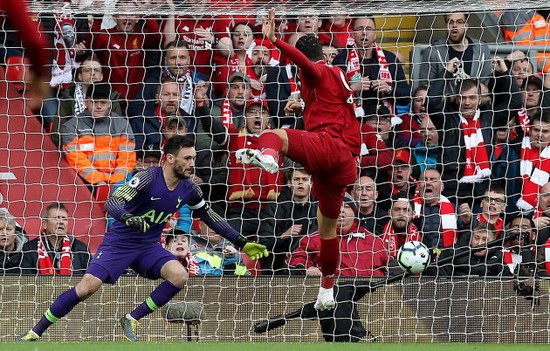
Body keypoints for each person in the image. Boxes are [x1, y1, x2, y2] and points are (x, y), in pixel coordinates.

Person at [16, 135, 267, 342]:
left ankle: (131, 318)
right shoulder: (148, 177)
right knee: (86, 288)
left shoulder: (190, 188)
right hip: (120, 243)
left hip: (148, 246)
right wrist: (129, 218)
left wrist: (242, 242)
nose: (193, 163)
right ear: (170, 158)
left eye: (193, 157)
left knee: (179, 275)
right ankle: (34, 332)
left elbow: (210, 217)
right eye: (187, 158)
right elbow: (113, 201)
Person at [236, 8, 362, 311]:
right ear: (326, 54)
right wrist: (302, 108)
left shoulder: (318, 70)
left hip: (329, 147)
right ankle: (326, 291)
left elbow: (309, 66)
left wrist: (276, 41)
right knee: (327, 231)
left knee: (276, 135)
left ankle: (267, 156)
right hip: (344, 163)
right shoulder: (340, 76)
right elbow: (330, 106)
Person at [62, 83, 136, 199]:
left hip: (119, 184)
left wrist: (116, 182)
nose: (99, 106)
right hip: (84, 185)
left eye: (103, 102)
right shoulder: (71, 126)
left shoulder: (122, 124)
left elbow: (127, 158)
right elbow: (76, 159)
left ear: (110, 104)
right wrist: (99, 182)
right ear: (86, 102)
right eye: (94, 102)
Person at [287, 196, 388, 277]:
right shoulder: (315, 237)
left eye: (347, 206)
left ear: (355, 213)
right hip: (330, 294)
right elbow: (296, 258)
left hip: (370, 295)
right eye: (336, 206)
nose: (341, 210)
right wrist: (308, 268)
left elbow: (389, 265)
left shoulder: (374, 240)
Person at [332, 15, 411, 117]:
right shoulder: (341, 60)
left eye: (369, 29)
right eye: (360, 29)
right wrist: (351, 89)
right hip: (352, 120)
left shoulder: (390, 59)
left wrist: (388, 89)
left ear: (375, 34)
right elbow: (331, 96)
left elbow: (406, 97)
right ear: (353, 34)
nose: (364, 33)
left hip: (385, 121)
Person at [258, 166, 319, 275]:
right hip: (278, 269)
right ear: (289, 183)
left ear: (312, 183)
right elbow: (263, 245)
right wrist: (283, 236)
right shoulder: (275, 208)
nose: (300, 183)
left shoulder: (319, 208)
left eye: (305, 179)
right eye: (296, 179)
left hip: (312, 268)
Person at [54, 55, 122, 148]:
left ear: (101, 76)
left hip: (106, 150)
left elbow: (119, 131)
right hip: (75, 150)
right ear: (80, 76)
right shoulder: (68, 98)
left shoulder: (112, 98)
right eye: (87, 70)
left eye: (96, 70)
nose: (92, 73)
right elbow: (58, 133)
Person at [418, 12, 492, 96]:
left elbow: (485, 85)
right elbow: (426, 87)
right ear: (446, 26)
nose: (454, 26)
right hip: (444, 106)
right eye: (450, 22)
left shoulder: (482, 49)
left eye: (459, 22)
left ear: (466, 26)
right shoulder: (433, 51)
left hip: (473, 106)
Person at [20, 203, 91, 276]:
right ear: (45, 224)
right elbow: (26, 281)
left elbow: (90, 278)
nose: (61, 222)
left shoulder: (81, 249)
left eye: (64, 219)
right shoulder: (30, 249)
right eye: (56, 218)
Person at [413, 168, 457, 249]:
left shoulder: (454, 208)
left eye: (433, 180)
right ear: (418, 186)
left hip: (446, 257)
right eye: (424, 179)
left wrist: (468, 221)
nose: (428, 183)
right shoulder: (409, 207)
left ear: (442, 187)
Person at [517, 113, 550, 210]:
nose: (540, 135)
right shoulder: (513, 150)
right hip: (508, 211)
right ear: (529, 130)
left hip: (542, 215)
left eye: (545, 131)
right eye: (536, 130)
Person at [381, 193, 422, 258]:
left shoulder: (422, 239)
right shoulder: (378, 235)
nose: (401, 214)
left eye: (406, 210)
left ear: (413, 214)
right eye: (397, 209)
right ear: (389, 212)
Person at [0, 209, 27, 275]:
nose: (5, 233)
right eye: (0, 229)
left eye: (8, 229)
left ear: (15, 234)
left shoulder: (27, 253)